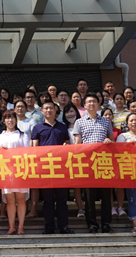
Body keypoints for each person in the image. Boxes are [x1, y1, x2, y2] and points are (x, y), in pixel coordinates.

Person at [72, 93, 115, 233]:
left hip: (103, 162)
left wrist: (109, 141)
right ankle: (92, 224)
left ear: (98, 104)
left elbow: (112, 139)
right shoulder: (79, 122)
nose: (91, 104)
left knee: (106, 196)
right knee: (89, 196)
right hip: (87, 163)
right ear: (84, 105)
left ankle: (106, 224)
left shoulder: (106, 122)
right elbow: (77, 143)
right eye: (89, 102)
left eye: (94, 101)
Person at [31, 101, 74, 235]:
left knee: (62, 200)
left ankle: (63, 226)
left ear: (56, 111)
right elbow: (34, 149)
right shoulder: (37, 128)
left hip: (61, 169)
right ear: (42, 111)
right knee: (48, 200)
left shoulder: (62, 127)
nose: (49, 110)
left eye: (51, 108)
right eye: (46, 108)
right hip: (45, 169)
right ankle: (49, 226)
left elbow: (67, 144)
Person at [0, 110, 30, 235]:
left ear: (16, 120)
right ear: (4, 121)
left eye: (12, 118)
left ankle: (21, 226)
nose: (10, 120)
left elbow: (27, 152)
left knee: (20, 199)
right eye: (7, 118)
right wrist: (1, 151)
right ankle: (11, 226)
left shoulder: (23, 135)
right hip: (6, 171)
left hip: (20, 170)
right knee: (10, 200)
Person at [62, 102, 85, 218]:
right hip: (68, 160)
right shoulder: (63, 128)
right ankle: (80, 208)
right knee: (76, 185)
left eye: (71, 111)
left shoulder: (83, 125)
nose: (69, 114)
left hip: (83, 158)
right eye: (67, 112)